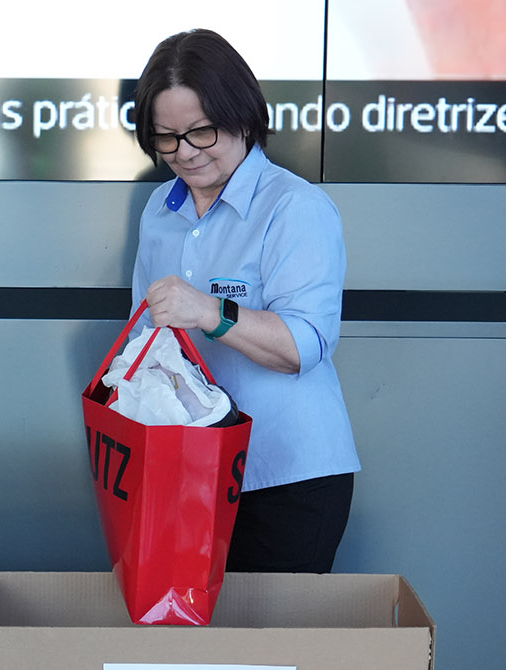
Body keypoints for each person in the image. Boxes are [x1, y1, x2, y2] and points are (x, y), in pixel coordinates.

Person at [130, 29, 360, 574]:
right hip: (186, 476)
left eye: (201, 132)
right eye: (166, 138)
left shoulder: (297, 208)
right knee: (193, 652)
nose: (184, 153)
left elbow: (304, 347)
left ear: (242, 115)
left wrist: (211, 313)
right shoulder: (158, 211)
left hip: (287, 476)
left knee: (270, 655)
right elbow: (144, 340)